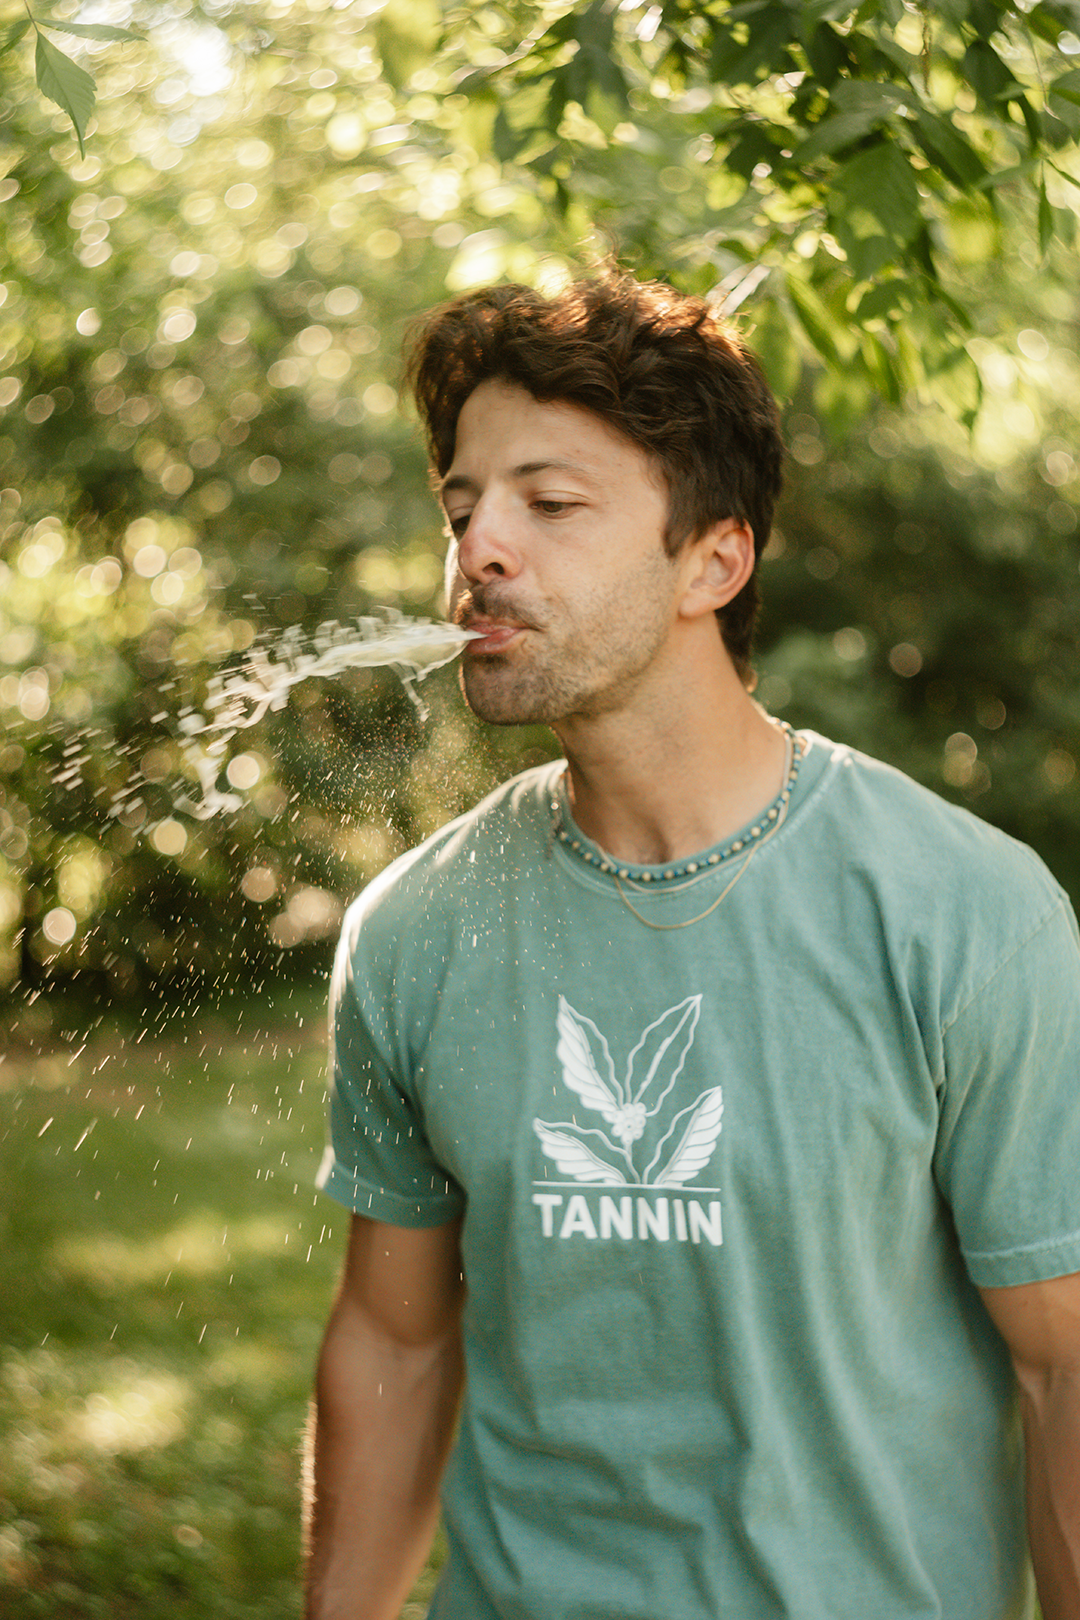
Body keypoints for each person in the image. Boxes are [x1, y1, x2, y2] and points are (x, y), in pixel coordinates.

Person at [304, 272, 1080, 1620]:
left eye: (549, 505)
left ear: (711, 562)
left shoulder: (963, 912)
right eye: (462, 505)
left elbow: (1063, 1367)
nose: (480, 545)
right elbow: (396, 1338)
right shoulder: (416, 930)